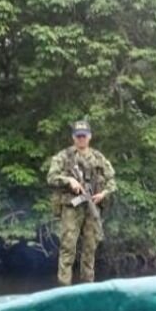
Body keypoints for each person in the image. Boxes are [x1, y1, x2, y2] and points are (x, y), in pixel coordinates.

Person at [46, 120, 116, 285]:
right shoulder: (64, 156)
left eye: (84, 136)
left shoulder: (98, 158)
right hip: (72, 206)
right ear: (73, 137)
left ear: (89, 137)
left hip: (92, 206)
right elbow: (51, 177)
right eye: (78, 136)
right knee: (68, 247)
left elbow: (112, 181)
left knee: (90, 249)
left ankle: (87, 287)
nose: (81, 139)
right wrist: (69, 180)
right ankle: (64, 288)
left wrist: (103, 194)